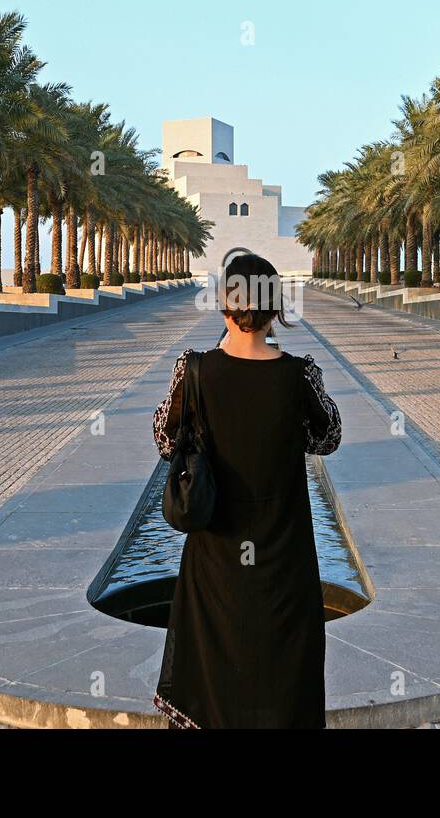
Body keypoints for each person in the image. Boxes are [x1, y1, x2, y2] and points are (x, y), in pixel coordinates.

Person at [151, 253, 342, 728]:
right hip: (284, 556)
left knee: (215, 668)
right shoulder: (300, 374)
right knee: (280, 670)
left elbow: (164, 440)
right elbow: (328, 437)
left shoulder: (195, 370)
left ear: (224, 308)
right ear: (276, 310)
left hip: (216, 555)